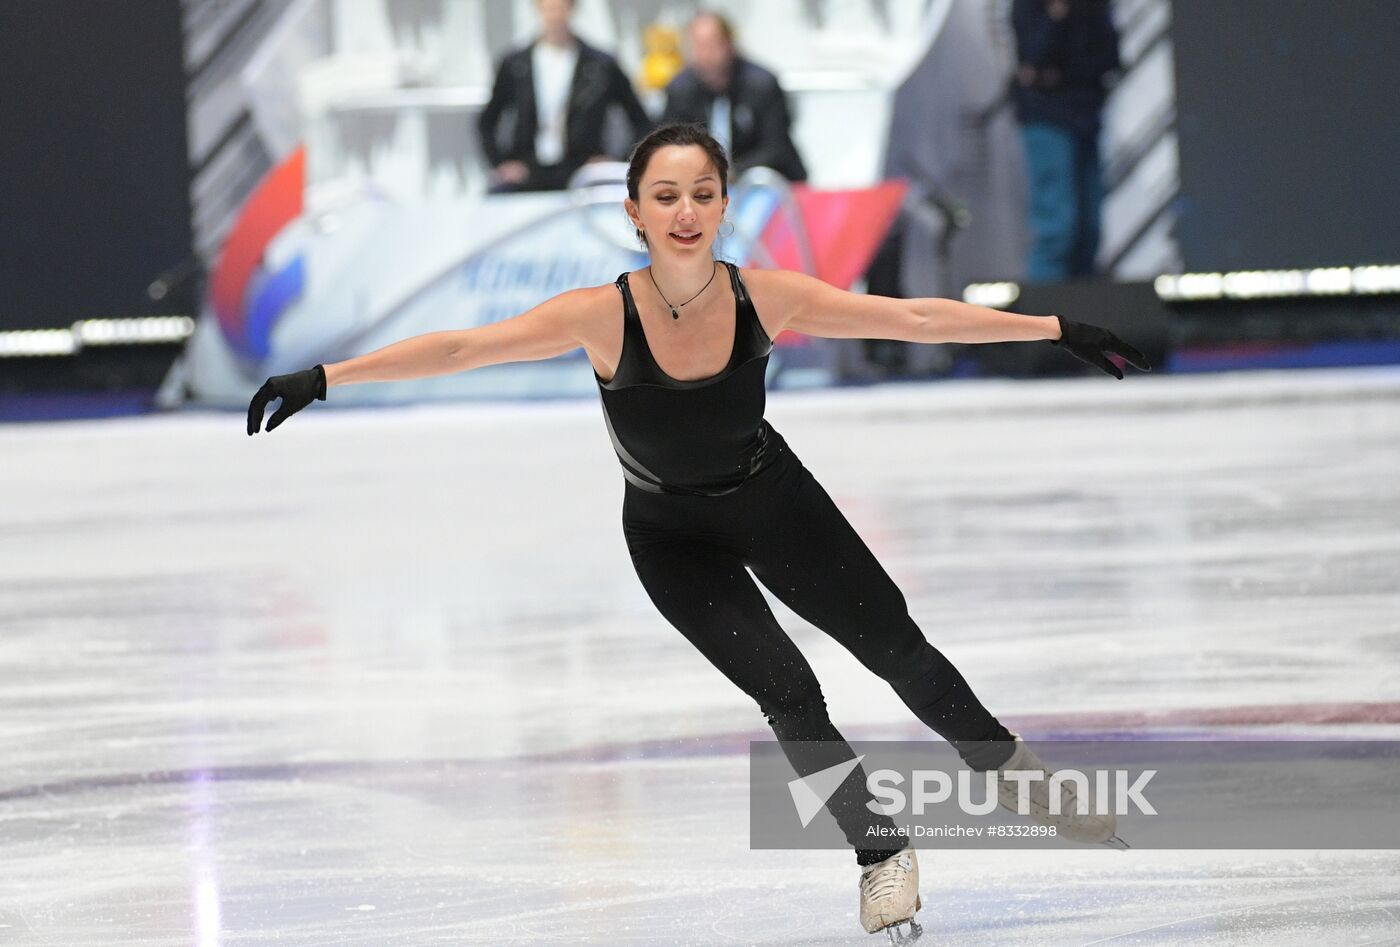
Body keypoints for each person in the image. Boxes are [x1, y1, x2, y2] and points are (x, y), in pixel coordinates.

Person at [248, 122, 1149, 940]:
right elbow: (459, 349)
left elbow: (913, 318)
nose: (686, 212)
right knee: (790, 693)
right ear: (635, 210)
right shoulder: (599, 315)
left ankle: (1016, 775)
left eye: (703, 194)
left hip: (773, 499)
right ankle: (880, 854)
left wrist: (1055, 325)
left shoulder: (767, 295)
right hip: (671, 537)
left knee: (898, 649)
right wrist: (324, 377)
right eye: (667, 196)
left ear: (725, 204)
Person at [477, 0, 653, 192]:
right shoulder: (516, 65)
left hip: (582, 169)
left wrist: (616, 162)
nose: (555, 15)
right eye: (549, 7)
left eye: (561, 7)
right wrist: (500, 163)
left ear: (572, 8)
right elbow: (487, 120)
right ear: (538, 8)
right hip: (529, 169)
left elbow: (640, 121)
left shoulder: (600, 65)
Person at [1011, 0, 1121, 280]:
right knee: (1056, 229)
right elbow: (1034, 56)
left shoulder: (1094, 8)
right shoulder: (1031, 6)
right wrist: (1057, 14)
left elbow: (1109, 58)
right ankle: (1043, 319)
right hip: (1046, 116)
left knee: (1089, 231)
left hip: (1085, 118)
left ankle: (1081, 318)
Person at [661, 11, 807, 183]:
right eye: (699, 46)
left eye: (712, 45)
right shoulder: (680, 90)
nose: (706, 55)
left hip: (766, 181)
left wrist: (732, 172)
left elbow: (776, 147)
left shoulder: (761, 84)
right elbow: (668, 144)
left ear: (729, 44)